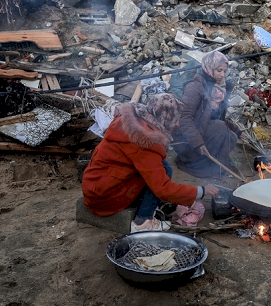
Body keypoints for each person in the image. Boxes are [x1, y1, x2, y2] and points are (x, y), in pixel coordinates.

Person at [82, 94, 219, 232]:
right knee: (162, 174)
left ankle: (146, 210)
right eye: (175, 119)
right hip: (104, 199)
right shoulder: (146, 141)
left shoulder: (133, 120)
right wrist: (201, 191)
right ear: (164, 117)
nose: (177, 124)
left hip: (95, 185)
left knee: (164, 166)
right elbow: (163, 189)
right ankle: (142, 222)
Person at [173, 50, 242, 178]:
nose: (222, 75)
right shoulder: (195, 87)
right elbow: (184, 118)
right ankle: (192, 164)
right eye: (218, 70)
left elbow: (218, 117)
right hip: (187, 142)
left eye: (224, 71)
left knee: (231, 136)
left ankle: (215, 166)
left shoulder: (220, 89)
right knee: (220, 127)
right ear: (209, 68)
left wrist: (238, 131)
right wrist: (197, 143)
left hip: (203, 130)